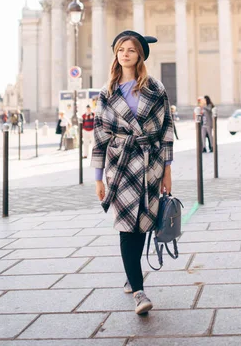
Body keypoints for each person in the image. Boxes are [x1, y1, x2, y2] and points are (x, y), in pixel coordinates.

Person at [92, 30, 173, 315]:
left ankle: (131, 272)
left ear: (140, 55)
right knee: (127, 228)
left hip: (150, 164)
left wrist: (167, 171)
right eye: (120, 49)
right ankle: (139, 291)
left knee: (143, 225)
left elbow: (166, 133)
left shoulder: (156, 89)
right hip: (121, 165)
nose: (125, 53)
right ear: (116, 55)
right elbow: (100, 137)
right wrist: (98, 178)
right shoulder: (107, 92)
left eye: (131, 49)